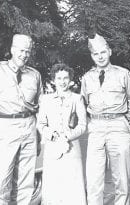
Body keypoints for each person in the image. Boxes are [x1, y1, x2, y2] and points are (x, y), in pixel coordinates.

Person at [0, 34, 43, 205]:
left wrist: (39, 131)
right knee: (3, 180)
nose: (24, 55)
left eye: (27, 51)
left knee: (25, 181)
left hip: (29, 127)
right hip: (5, 126)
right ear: (12, 50)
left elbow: (41, 104)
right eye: (21, 50)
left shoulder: (34, 75)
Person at [81, 34, 130, 205]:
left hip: (118, 125)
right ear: (92, 56)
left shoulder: (123, 74)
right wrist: (90, 122)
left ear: (110, 51)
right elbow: (82, 103)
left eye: (103, 52)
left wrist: (124, 118)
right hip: (96, 127)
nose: (100, 57)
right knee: (94, 178)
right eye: (96, 54)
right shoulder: (87, 78)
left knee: (121, 177)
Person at [37, 63, 87, 205]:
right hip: (53, 149)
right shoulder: (46, 100)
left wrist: (68, 136)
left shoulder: (77, 99)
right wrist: (51, 134)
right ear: (53, 80)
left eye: (65, 78)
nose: (62, 81)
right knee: (53, 189)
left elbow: (83, 125)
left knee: (72, 189)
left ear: (70, 80)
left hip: (72, 150)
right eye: (59, 78)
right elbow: (40, 124)